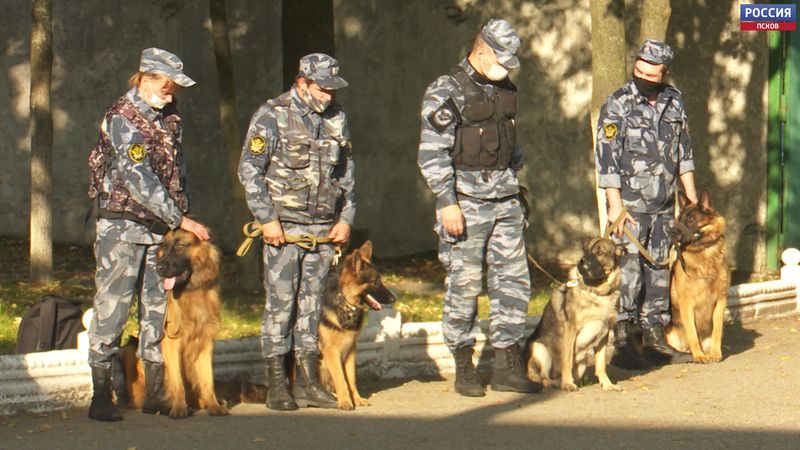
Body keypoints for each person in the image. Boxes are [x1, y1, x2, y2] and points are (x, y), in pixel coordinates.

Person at [417, 19, 541, 397]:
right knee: (464, 285)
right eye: (501, 58)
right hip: (466, 203)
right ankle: (464, 367)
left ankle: (506, 366)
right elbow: (431, 154)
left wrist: (517, 186)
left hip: (504, 199)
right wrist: (447, 202)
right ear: (482, 51)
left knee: (514, 284)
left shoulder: (504, 89)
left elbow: (510, 142)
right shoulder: (447, 89)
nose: (508, 67)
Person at [86, 48, 210, 421]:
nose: (172, 94)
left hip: (159, 233)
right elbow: (138, 179)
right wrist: (180, 219)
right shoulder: (123, 117)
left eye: (175, 88)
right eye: (167, 85)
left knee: (156, 309)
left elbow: (177, 169)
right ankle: (101, 395)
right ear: (145, 78)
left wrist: (180, 214)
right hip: (122, 229)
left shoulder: (169, 116)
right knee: (113, 309)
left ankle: (155, 391)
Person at [238, 53, 355, 411]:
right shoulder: (272, 116)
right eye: (322, 89)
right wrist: (266, 218)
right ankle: (277, 384)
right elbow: (249, 171)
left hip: (322, 232)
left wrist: (346, 217)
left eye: (333, 90)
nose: (329, 96)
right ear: (302, 82)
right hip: (284, 231)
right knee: (281, 306)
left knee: (311, 306)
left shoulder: (337, 119)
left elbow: (347, 174)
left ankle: (307, 383)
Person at [594, 40, 698, 368]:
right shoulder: (618, 104)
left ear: (663, 72)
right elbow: (606, 160)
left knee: (657, 266)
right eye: (638, 70)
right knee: (629, 267)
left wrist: (691, 201)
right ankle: (625, 338)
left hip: (665, 203)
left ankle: (654, 334)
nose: (642, 77)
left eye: (650, 73)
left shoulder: (674, 101)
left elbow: (684, 154)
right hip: (630, 205)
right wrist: (614, 205)